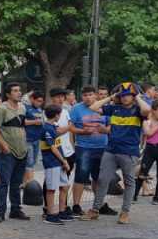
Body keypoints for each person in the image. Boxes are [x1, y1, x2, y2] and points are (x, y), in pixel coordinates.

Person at [82, 83, 152, 224]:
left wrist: (137, 97)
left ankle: (125, 212)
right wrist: (111, 97)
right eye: (123, 95)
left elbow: (147, 110)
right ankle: (95, 210)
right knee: (102, 179)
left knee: (129, 182)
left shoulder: (138, 110)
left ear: (133, 96)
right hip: (111, 150)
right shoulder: (114, 108)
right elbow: (93, 108)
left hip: (129, 152)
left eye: (128, 95)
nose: (125, 98)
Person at [69, 86, 117, 216]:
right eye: (85, 95)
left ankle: (99, 205)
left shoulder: (104, 108)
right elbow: (70, 127)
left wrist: (105, 130)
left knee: (99, 178)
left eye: (90, 94)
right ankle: (76, 206)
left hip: (102, 147)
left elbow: (111, 126)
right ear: (81, 97)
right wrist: (82, 131)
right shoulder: (76, 109)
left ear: (95, 95)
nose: (88, 97)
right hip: (84, 147)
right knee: (81, 176)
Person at [0, 83, 30, 222]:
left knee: (16, 183)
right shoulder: (2, 109)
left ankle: (15, 210)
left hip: (22, 150)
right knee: (4, 183)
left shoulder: (22, 108)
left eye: (19, 90)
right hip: (8, 152)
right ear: (8, 94)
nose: (19, 93)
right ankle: (0, 212)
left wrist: (25, 145)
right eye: (15, 91)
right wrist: (4, 145)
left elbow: (22, 127)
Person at [134, 101, 158, 205]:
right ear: (153, 111)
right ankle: (134, 195)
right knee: (142, 173)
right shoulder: (147, 122)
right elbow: (148, 133)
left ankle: (157, 197)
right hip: (150, 148)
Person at [40, 105, 71, 225]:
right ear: (57, 115)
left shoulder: (53, 126)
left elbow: (58, 142)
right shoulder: (47, 128)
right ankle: (50, 214)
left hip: (58, 162)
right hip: (51, 162)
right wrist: (64, 161)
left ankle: (61, 211)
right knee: (51, 189)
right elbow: (52, 148)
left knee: (65, 186)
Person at [47, 88, 76, 219]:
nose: (60, 99)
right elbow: (56, 132)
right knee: (51, 185)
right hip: (54, 153)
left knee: (65, 183)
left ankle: (62, 209)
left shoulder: (65, 111)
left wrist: (72, 148)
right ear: (52, 98)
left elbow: (69, 132)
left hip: (68, 151)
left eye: (62, 97)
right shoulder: (48, 112)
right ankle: (49, 210)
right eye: (57, 97)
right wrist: (69, 126)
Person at [23, 92, 45, 185]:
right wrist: (34, 122)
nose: (40, 103)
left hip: (37, 139)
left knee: (33, 162)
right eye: (38, 101)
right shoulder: (25, 108)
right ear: (32, 99)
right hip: (27, 139)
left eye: (41, 101)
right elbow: (22, 122)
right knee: (30, 163)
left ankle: (24, 182)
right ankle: (31, 184)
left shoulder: (39, 109)